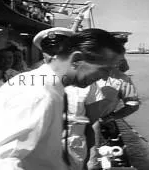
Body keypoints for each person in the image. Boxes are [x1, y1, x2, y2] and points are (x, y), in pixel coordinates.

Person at [0, 28, 126, 170]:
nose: (106, 76)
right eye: (104, 69)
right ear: (77, 59)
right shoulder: (38, 95)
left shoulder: (41, 84)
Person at [33, 27, 106, 170]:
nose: (54, 55)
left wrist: (93, 157)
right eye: (50, 51)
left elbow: (93, 123)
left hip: (76, 152)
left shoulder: (86, 81)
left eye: (60, 50)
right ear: (43, 54)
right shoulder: (29, 82)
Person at [85, 58, 140, 170]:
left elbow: (133, 105)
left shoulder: (80, 73)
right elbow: (133, 105)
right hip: (96, 122)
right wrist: (112, 117)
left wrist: (112, 117)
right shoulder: (122, 79)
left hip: (89, 123)